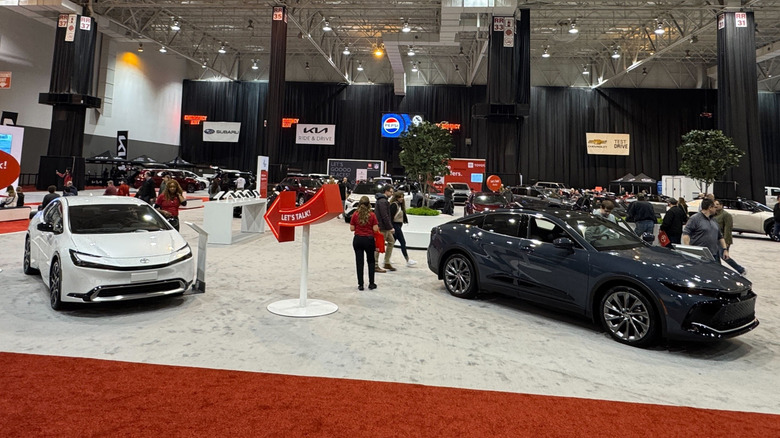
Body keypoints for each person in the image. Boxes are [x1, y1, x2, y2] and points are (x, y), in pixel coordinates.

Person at [683, 198, 730, 263]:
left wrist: (725, 250)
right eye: (714, 207)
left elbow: (720, 236)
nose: (716, 209)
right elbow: (686, 234)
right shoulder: (695, 219)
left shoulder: (714, 220)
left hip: (714, 255)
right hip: (699, 255)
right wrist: (688, 249)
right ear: (710, 208)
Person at [350, 196, 379, 290]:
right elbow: (375, 229)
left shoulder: (355, 214)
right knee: (371, 261)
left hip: (358, 239)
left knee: (359, 262)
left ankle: (361, 284)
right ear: (369, 204)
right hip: (369, 240)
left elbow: (352, 228)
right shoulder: (372, 215)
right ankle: (371, 283)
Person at [713, 200, 747, 276]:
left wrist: (726, 242)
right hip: (715, 240)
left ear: (721, 205)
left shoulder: (726, 215)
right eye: (714, 204)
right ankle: (718, 272)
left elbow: (728, 229)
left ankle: (740, 269)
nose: (715, 206)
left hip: (723, 239)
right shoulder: (713, 215)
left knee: (724, 256)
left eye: (717, 204)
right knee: (716, 257)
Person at [389, 191, 417, 267]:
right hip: (395, 226)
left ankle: (387, 259)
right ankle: (407, 260)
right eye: (400, 197)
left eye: (402, 197)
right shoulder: (394, 205)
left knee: (392, 243)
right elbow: (390, 217)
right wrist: (391, 227)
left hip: (398, 226)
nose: (401, 198)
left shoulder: (400, 205)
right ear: (396, 197)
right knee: (402, 242)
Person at [374, 184, 396, 272]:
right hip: (382, 227)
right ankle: (375, 265)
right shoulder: (383, 201)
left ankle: (386, 262)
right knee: (379, 246)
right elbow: (385, 215)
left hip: (383, 226)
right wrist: (390, 227)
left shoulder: (382, 200)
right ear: (386, 191)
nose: (392, 193)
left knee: (391, 241)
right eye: (391, 191)